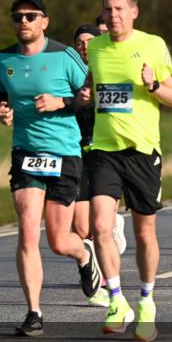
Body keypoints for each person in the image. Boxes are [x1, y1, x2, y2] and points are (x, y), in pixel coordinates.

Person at [0, 0, 97, 337]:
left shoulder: (64, 56)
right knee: (26, 230)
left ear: (44, 22)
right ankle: (34, 311)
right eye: (17, 17)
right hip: (26, 153)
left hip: (64, 154)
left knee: (59, 241)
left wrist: (60, 101)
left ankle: (83, 256)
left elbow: (90, 96)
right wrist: (0, 112)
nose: (24, 22)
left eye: (31, 16)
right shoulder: (3, 59)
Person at [87, 0, 172, 342]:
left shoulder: (153, 45)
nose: (113, 15)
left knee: (145, 233)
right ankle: (115, 300)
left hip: (143, 151)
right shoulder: (95, 48)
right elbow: (94, 87)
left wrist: (154, 84)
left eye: (119, 9)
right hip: (104, 150)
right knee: (100, 226)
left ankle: (146, 300)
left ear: (134, 12)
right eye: (107, 10)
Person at [71, 24, 127, 310]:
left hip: (106, 154)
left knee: (100, 224)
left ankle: (107, 282)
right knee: (82, 227)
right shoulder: (69, 74)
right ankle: (92, 257)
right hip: (77, 154)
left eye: (88, 40)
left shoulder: (109, 67)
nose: (83, 46)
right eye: (79, 42)